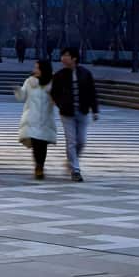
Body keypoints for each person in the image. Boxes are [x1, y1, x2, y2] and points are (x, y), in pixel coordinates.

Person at [49, 49, 99, 182]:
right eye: (62, 55)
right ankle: (76, 170)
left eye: (66, 55)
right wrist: (61, 104)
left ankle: (71, 160)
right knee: (71, 141)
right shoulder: (59, 75)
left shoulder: (85, 73)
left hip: (83, 112)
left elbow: (92, 92)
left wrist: (95, 110)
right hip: (67, 113)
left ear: (74, 58)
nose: (63, 58)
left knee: (81, 141)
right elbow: (54, 93)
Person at [16, 59, 57, 180]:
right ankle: (38, 167)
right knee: (35, 142)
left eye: (37, 68)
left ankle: (40, 166)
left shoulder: (51, 83)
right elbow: (22, 96)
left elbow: (56, 99)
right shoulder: (30, 81)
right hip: (31, 117)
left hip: (46, 118)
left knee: (42, 143)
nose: (35, 70)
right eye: (35, 68)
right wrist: (17, 90)